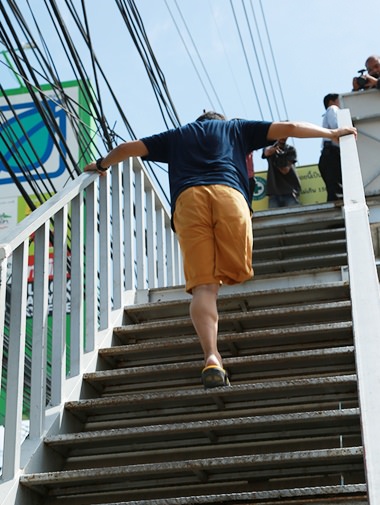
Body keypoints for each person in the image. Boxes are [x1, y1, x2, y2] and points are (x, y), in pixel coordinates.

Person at [84, 112, 356, 389]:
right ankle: (227, 278)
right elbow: (291, 127)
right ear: (220, 120)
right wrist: (332, 134)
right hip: (230, 197)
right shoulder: (235, 128)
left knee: (204, 287)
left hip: (188, 202)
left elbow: (127, 148)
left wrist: (101, 164)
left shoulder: (177, 135)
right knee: (237, 271)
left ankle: (212, 357)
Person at [262, 138, 301, 208]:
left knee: (294, 217)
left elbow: (285, 170)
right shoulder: (269, 148)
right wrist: (274, 149)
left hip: (289, 191)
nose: (283, 137)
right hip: (273, 193)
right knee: (273, 218)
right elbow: (266, 152)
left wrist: (279, 157)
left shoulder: (290, 149)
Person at [318, 93, 343, 202]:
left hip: (327, 154)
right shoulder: (333, 109)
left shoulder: (328, 113)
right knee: (336, 188)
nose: (340, 102)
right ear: (332, 102)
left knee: (333, 189)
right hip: (332, 153)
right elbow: (335, 126)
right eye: (339, 100)